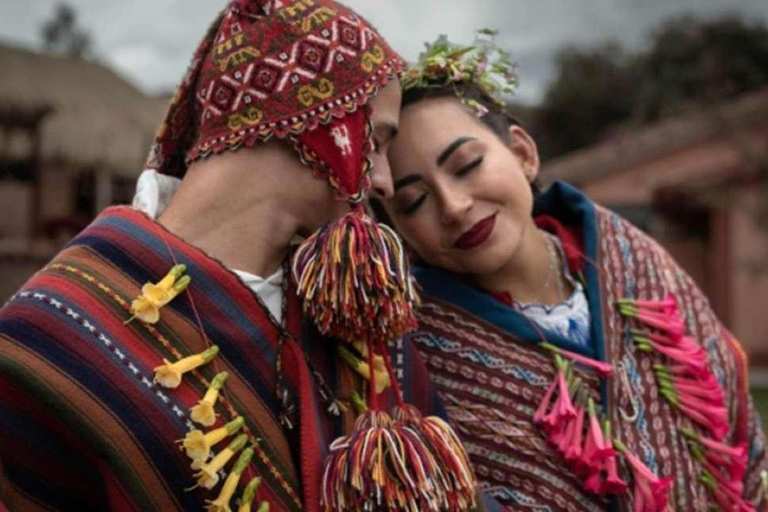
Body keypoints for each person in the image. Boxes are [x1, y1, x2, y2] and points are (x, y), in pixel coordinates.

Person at [0, 2, 480, 511]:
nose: (382, 180)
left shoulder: (352, 315)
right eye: (379, 141)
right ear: (318, 120)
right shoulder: (51, 335)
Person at [372, 32, 768, 511]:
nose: (454, 207)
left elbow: (739, 432)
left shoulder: (638, 264)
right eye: (414, 201)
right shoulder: (409, 356)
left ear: (522, 152)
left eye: (467, 165)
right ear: (397, 228)